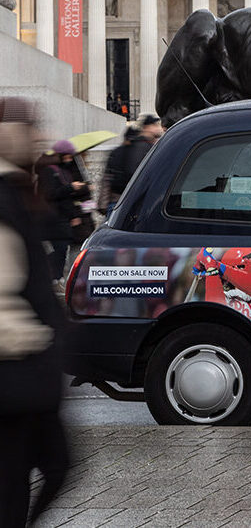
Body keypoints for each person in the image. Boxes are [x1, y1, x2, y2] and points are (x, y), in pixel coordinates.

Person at [0, 97, 70, 527]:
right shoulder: (4, 198)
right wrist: (36, 337)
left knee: (56, 467)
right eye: (30, 128)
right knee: (12, 488)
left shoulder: (19, 190)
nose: (39, 136)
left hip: (29, 381)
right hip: (15, 377)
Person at [37, 140, 90, 281]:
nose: (69, 159)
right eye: (67, 156)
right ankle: (53, 277)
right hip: (54, 218)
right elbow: (50, 194)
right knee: (59, 249)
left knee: (61, 249)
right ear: (59, 155)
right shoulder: (50, 171)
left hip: (63, 217)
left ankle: (56, 277)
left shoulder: (64, 171)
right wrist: (71, 188)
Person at [98, 123, 140, 216]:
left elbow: (106, 180)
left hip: (115, 201)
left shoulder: (115, 153)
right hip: (133, 202)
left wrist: (102, 205)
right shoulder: (139, 152)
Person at [123, 114, 164, 181]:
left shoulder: (148, 144)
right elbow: (133, 171)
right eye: (155, 125)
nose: (158, 128)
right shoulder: (141, 145)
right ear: (147, 127)